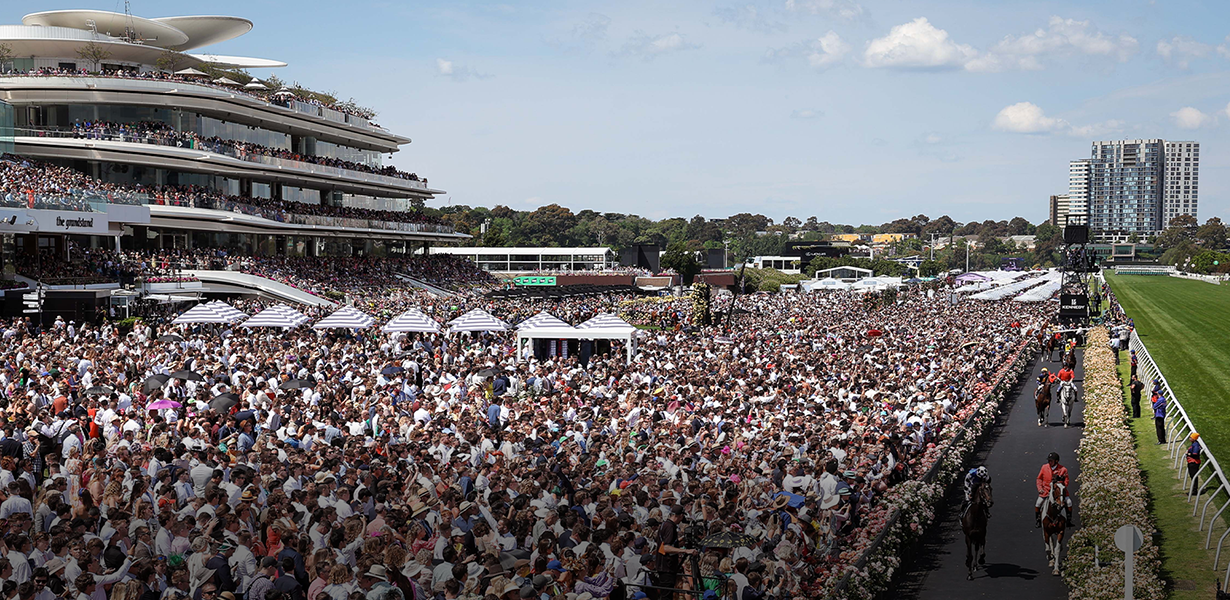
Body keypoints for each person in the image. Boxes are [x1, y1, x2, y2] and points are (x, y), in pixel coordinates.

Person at [652, 504, 696, 600]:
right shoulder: (670, 527)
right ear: (680, 516)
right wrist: (686, 551)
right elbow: (666, 548)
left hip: (663, 565)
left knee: (666, 594)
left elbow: (666, 544)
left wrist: (680, 540)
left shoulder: (665, 524)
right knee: (666, 596)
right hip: (667, 566)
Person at [1035, 452, 1073, 528]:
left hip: (1058, 492)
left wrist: (1063, 487)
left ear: (1056, 461)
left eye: (1051, 461)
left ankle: (1069, 520)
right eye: (1049, 460)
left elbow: (1066, 480)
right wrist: (1040, 488)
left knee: (1069, 502)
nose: (1049, 462)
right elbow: (1039, 478)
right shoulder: (1044, 467)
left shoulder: (1063, 469)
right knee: (1038, 504)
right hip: (1046, 491)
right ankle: (1038, 520)